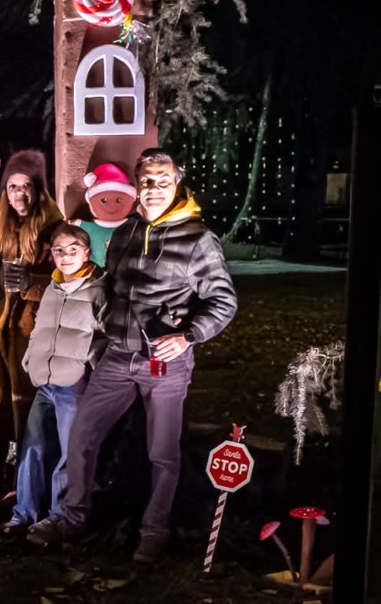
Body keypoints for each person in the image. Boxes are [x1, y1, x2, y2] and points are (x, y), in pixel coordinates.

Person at [27, 149, 237, 563]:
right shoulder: (127, 231)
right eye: (146, 182)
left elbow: (223, 301)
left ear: (176, 184)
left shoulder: (197, 239)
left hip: (165, 362)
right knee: (82, 435)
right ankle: (72, 517)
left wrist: (187, 336)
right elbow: (109, 286)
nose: (153, 189)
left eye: (162, 181)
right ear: (137, 187)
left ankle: (154, 531)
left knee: (162, 452)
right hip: (118, 356)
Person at [0, 148, 63, 509]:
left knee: (26, 411)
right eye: (12, 187)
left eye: (26, 187)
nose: (19, 194)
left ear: (38, 189)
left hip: (30, 332)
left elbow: (64, 279)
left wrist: (31, 284)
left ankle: (26, 487)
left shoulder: (53, 226)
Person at [1, 224, 106, 535]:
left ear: (86, 253)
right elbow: (40, 327)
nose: (65, 256)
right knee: (31, 446)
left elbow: (107, 334)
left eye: (73, 250)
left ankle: (59, 515)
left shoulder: (99, 289)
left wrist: (88, 361)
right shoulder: (52, 286)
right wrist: (30, 356)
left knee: (68, 450)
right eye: (59, 251)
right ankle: (24, 512)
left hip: (73, 382)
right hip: (44, 381)